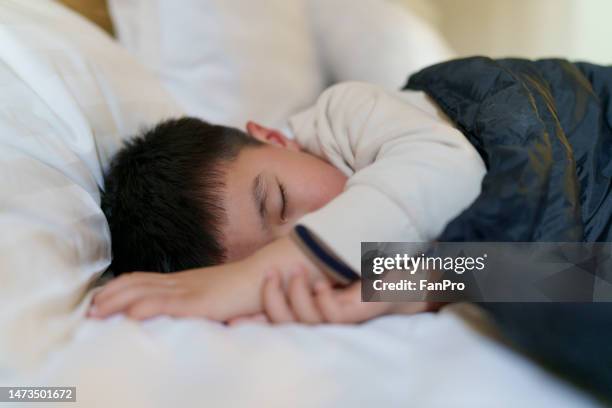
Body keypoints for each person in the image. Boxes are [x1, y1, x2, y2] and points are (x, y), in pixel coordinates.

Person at [88, 81, 486, 324]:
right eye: (275, 253)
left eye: (279, 202)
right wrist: (422, 289)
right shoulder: (358, 262)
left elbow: (453, 175)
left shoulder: (346, 115)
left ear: (274, 139)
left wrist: (270, 270)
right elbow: (543, 272)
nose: (310, 228)